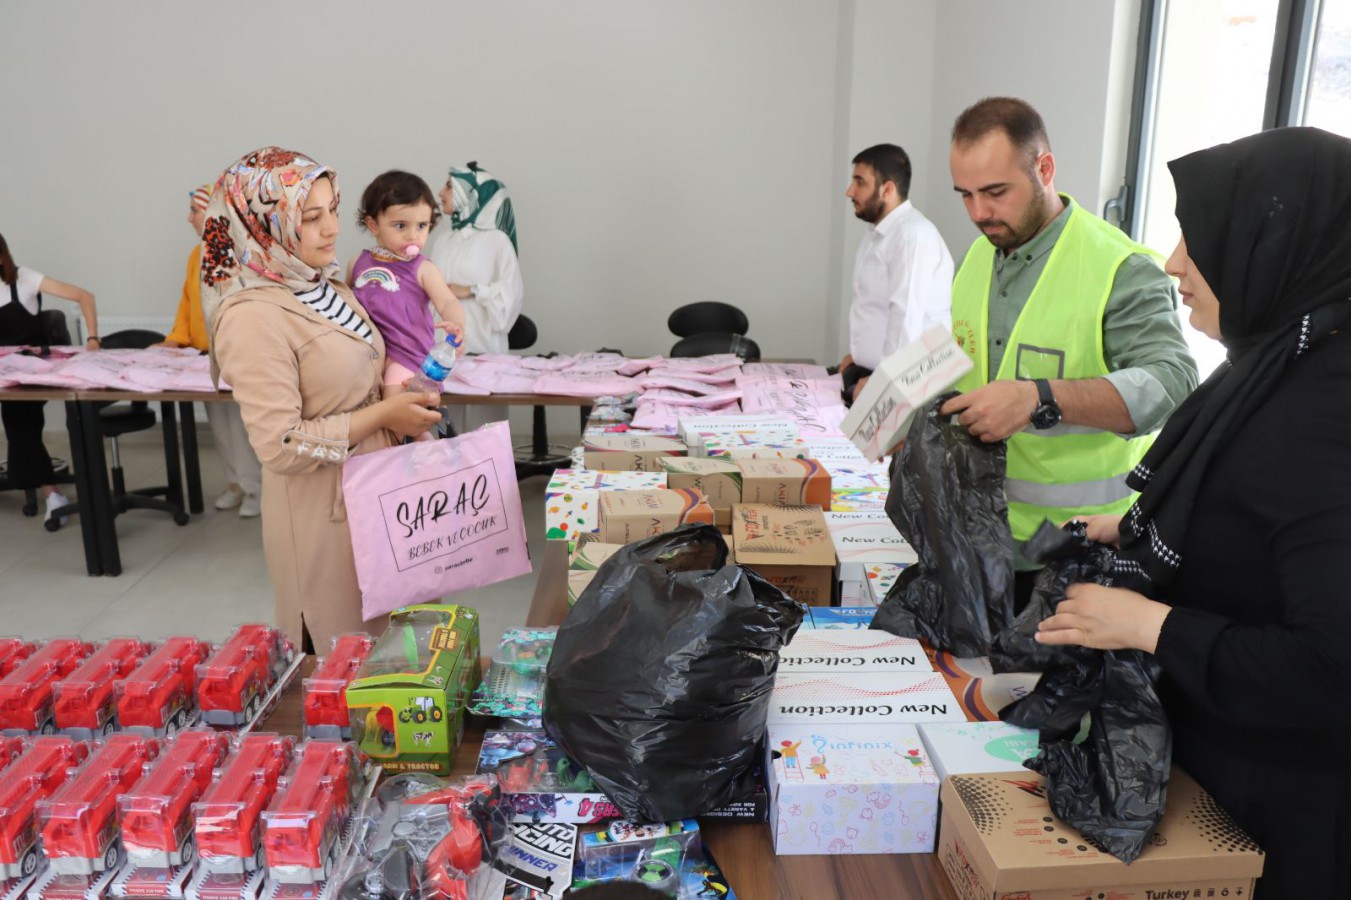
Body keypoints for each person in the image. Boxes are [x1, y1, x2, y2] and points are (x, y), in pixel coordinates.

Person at [1035, 127, 1351, 899]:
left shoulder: (1324, 414)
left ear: (1273, 244)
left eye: (1198, 238)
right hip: (1217, 772)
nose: (1174, 262)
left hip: (1285, 822)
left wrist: (1146, 627)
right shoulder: (1278, 364)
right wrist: (1138, 530)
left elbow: (1329, 669)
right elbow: (1255, 525)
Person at [940, 97, 1196, 602]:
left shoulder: (1120, 268)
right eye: (965, 195)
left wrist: (1038, 397)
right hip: (982, 538)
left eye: (995, 192)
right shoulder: (977, 256)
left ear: (1045, 168)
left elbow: (1173, 382)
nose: (979, 213)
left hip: (1080, 553)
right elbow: (966, 361)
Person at [203, 147, 442, 653]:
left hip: (376, 492)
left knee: (394, 655)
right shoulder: (251, 317)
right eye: (311, 218)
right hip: (324, 517)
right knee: (345, 660)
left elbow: (363, 374)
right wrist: (384, 414)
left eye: (333, 210)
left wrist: (406, 406)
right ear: (263, 224)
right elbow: (280, 444)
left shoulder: (325, 284)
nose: (331, 228)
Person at [154, 184, 264, 517]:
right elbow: (188, 302)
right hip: (204, 358)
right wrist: (176, 338)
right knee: (218, 424)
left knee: (240, 425)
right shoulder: (195, 255)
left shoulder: (242, 255)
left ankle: (254, 487)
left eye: (194, 211)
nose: (189, 219)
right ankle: (235, 482)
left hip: (237, 357)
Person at [838, 143, 954, 405]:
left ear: (887, 189)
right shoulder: (879, 234)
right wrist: (858, 356)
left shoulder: (912, 237)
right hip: (877, 376)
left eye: (860, 182)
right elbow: (875, 309)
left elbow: (906, 319)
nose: (850, 191)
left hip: (906, 388)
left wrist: (883, 386)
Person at [0, 231, 100, 523]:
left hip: (33, 373)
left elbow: (85, 296)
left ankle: (52, 494)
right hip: (5, 376)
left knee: (18, 422)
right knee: (18, 424)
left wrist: (93, 338)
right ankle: (41, 486)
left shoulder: (24, 279)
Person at [348, 171, 466, 408]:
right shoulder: (358, 263)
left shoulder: (423, 269)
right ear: (373, 225)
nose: (413, 235)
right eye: (401, 225)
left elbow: (447, 302)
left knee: (397, 408)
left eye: (422, 226)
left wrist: (457, 324)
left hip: (405, 354)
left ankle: (425, 444)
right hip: (367, 354)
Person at [425, 162, 523, 433]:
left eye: (448, 185)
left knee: (484, 431)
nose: (440, 192)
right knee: (445, 425)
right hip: (443, 352)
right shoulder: (444, 240)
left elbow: (510, 298)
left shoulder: (497, 242)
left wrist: (470, 289)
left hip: (483, 351)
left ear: (470, 193)